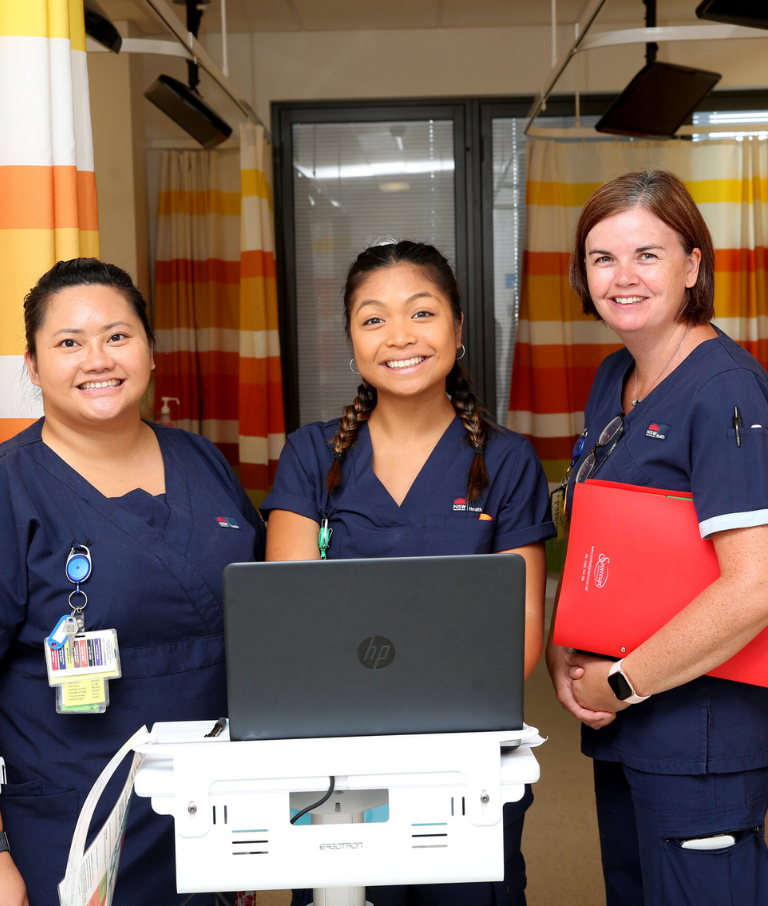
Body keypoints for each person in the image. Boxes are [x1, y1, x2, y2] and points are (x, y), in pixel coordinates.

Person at [261, 240, 554, 906]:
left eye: (421, 313)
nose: (399, 336)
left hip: (467, 758)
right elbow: (290, 624)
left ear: (457, 330)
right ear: (352, 341)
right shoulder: (312, 456)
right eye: (373, 319)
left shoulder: (506, 463)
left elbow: (521, 640)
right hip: (338, 759)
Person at [0, 258, 266, 906]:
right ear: (33, 367)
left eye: (117, 336)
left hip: (209, 809)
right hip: (75, 815)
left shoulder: (202, 460)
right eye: (68, 343)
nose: (97, 359)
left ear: (150, 350)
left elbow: (260, 629)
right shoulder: (12, 486)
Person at [546, 171, 768, 906]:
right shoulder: (617, 375)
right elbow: (600, 529)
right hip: (627, 729)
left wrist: (623, 680)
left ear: (693, 265)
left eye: (647, 254)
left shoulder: (725, 390)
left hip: (699, 733)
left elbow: (755, 585)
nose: (622, 277)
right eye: (602, 258)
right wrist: (564, 645)